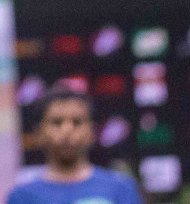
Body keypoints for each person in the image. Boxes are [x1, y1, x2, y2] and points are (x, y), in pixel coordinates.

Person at [7, 85, 142, 204]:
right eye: (57, 122)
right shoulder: (22, 197)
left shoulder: (121, 189)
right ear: (39, 133)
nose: (67, 131)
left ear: (92, 131)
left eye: (77, 122)